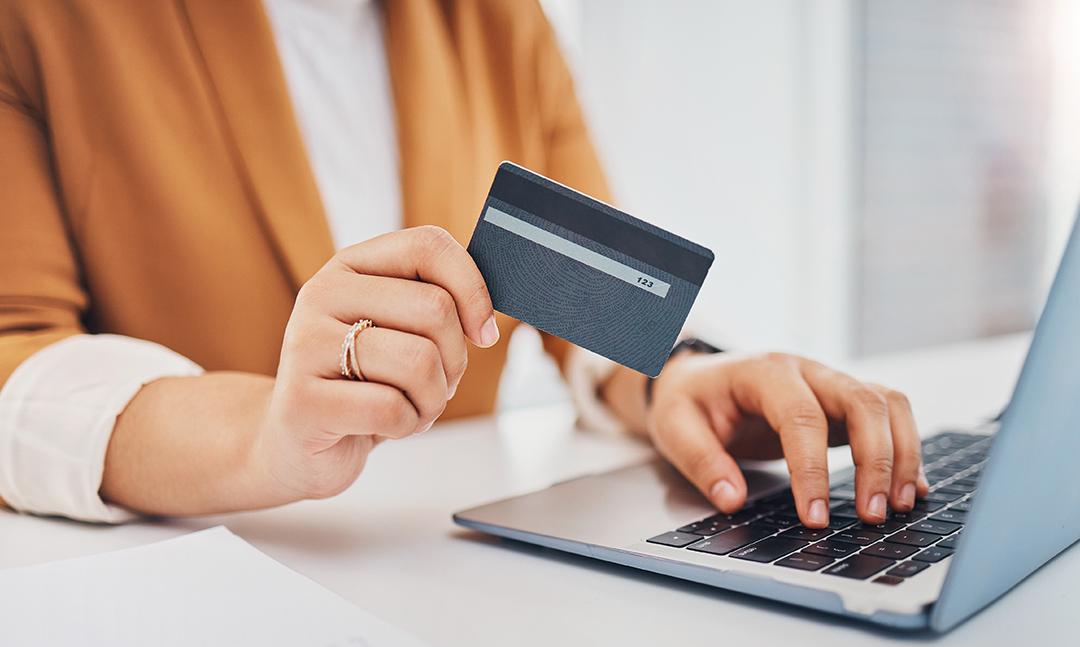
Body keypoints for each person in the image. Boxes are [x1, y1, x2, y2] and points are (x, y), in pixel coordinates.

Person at [0, 0, 927, 527]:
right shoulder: (42, 22)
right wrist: (265, 435)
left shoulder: (502, 22)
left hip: (457, 574)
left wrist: (679, 374)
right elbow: (16, 355)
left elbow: (587, 302)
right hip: (202, 590)